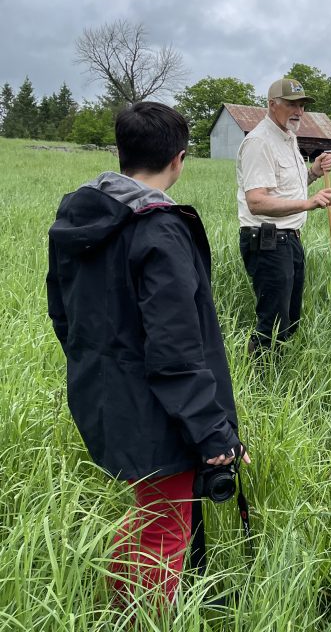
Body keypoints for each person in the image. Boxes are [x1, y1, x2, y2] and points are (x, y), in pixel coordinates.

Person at [46, 102, 249, 611]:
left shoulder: (79, 216)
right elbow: (176, 349)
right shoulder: (159, 229)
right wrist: (213, 433)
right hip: (159, 411)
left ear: (122, 152)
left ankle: (117, 606)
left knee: (150, 514)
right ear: (179, 159)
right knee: (166, 529)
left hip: (102, 396)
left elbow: (63, 315)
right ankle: (140, 619)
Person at [236, 76, 331, 353]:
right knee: (273, 322)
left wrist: (313, 172)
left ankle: (278, 368)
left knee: (290, 318)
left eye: (302, 105)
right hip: (266, 240)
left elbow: (288, 188)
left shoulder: (288, 138)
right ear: (272, 104)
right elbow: (257, 202)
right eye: (292, 104)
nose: (299, 112)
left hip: (289, 238)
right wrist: (309, 204)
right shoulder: (260, 142)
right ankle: (260, 374)